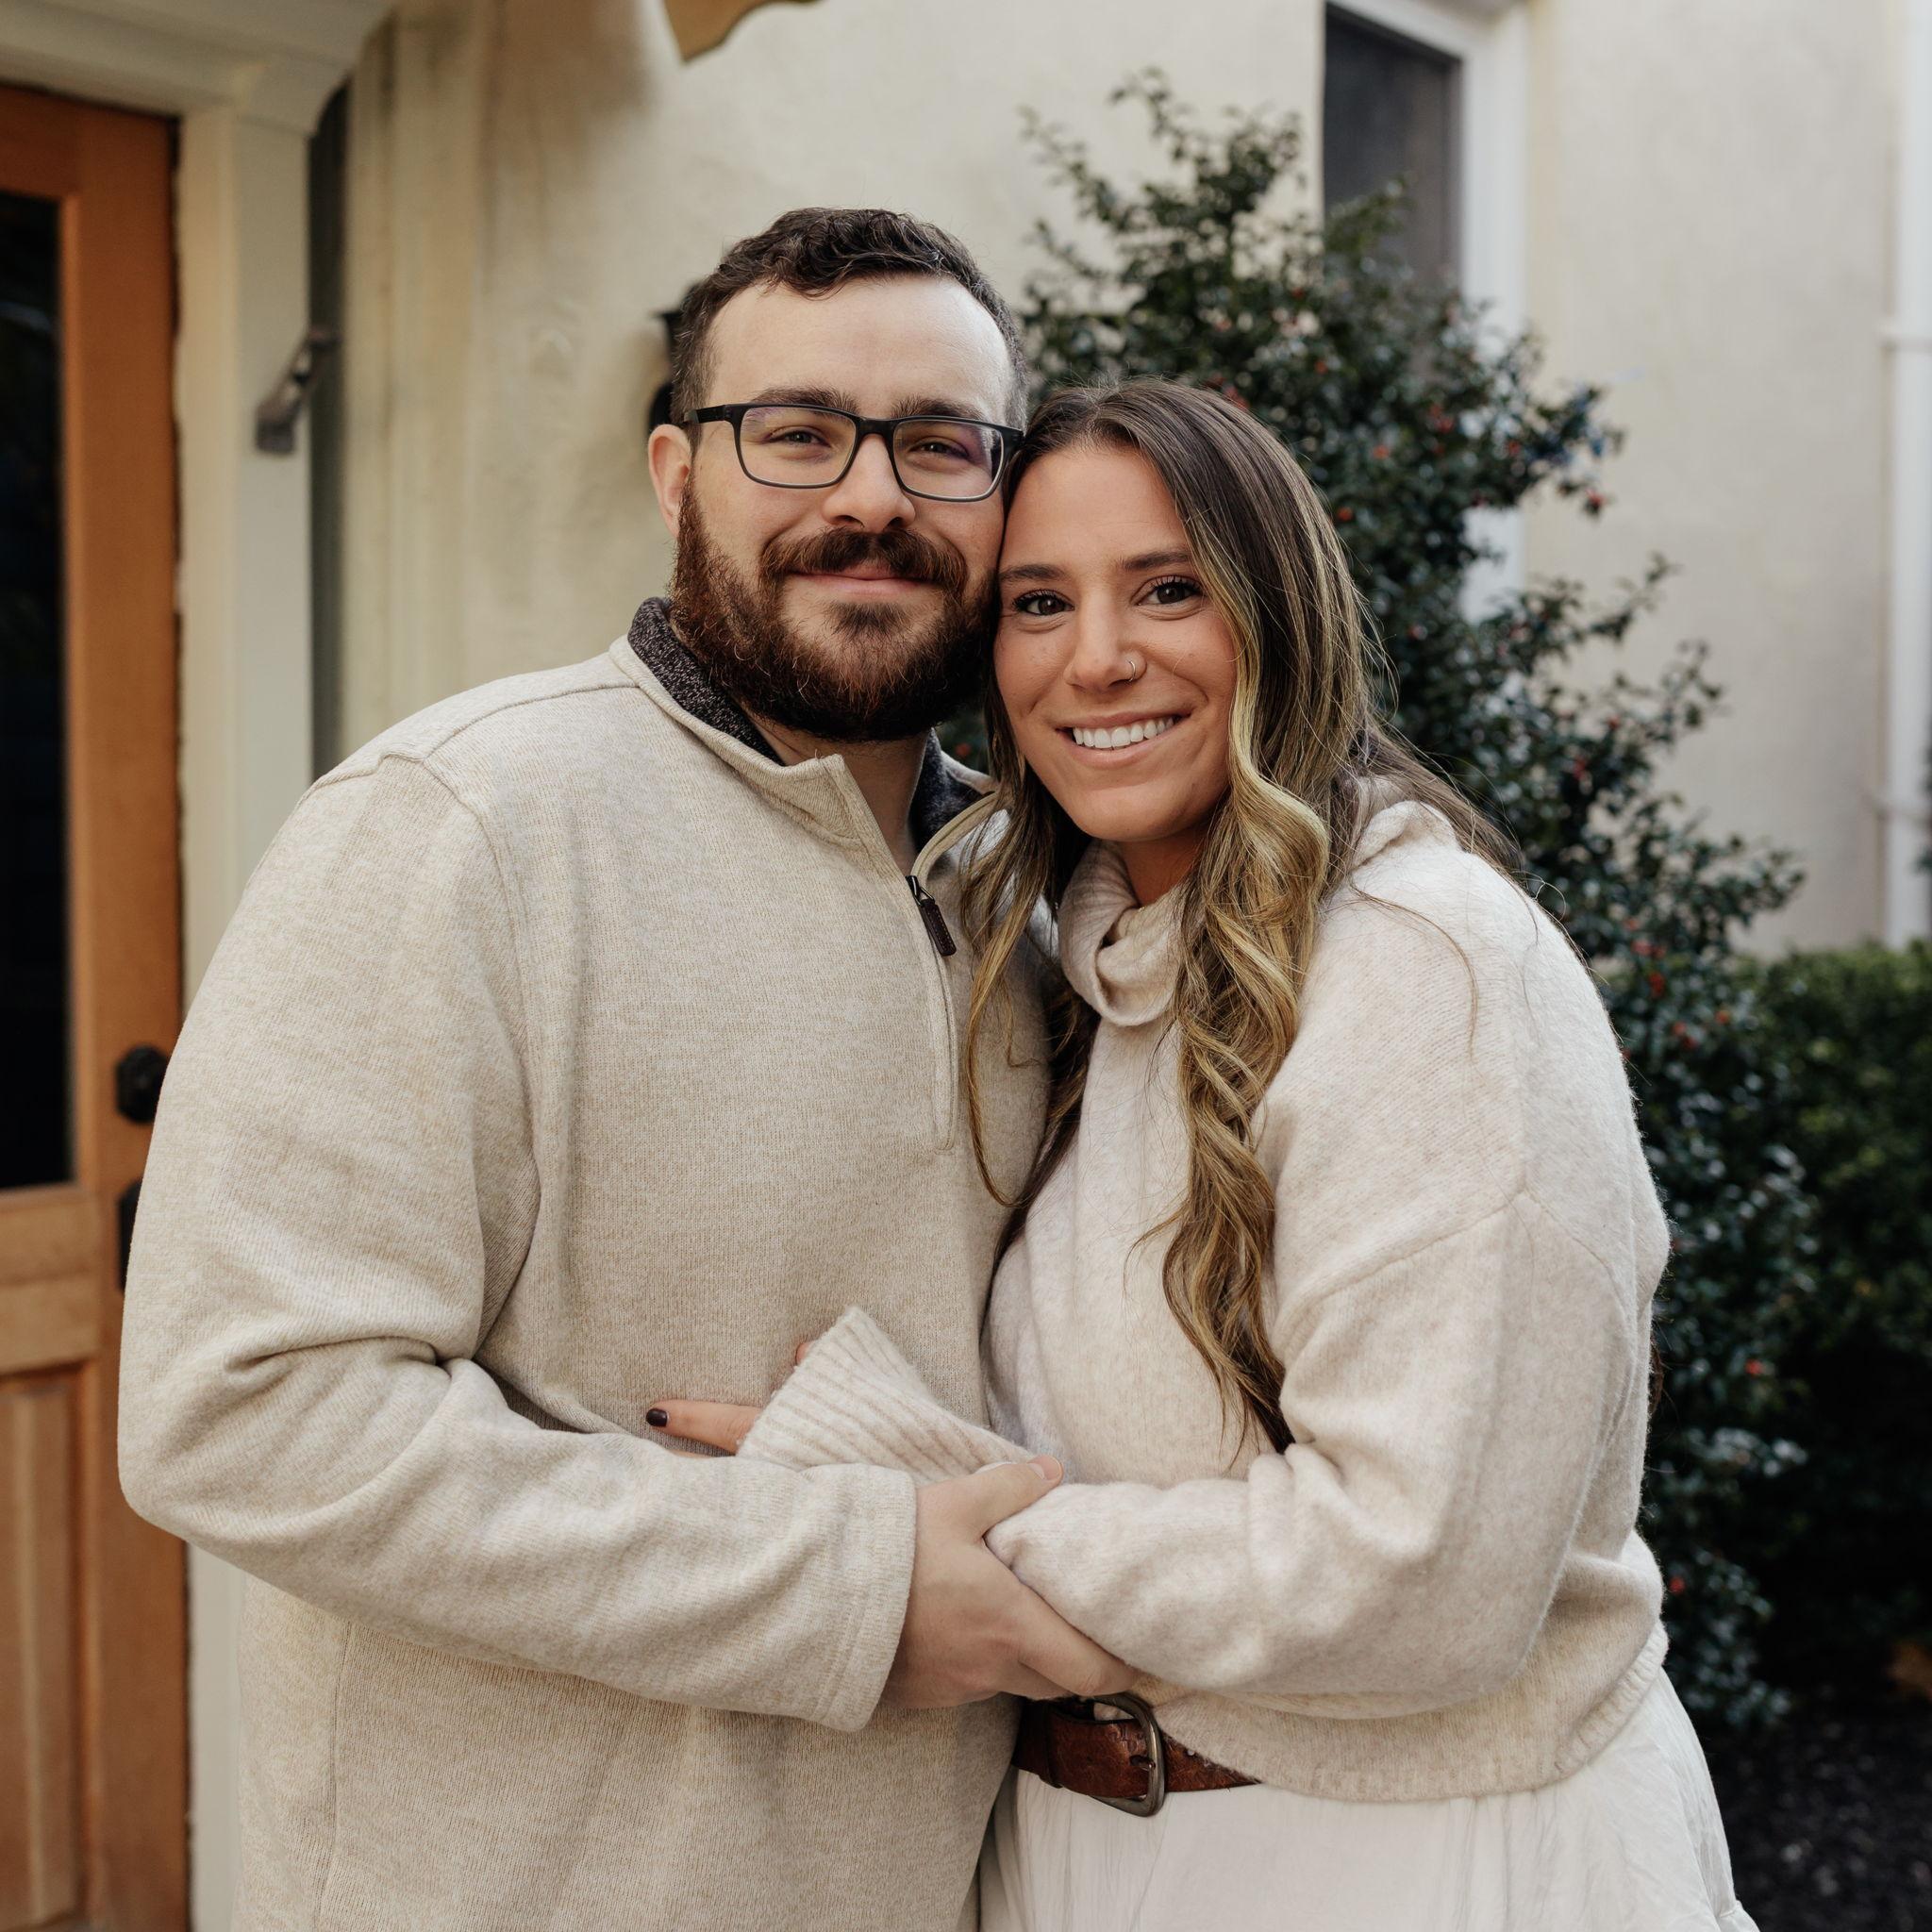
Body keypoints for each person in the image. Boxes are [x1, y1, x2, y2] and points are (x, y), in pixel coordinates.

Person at [115, 208, 1125, 1932]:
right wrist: (848, 1587)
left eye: (941, 443)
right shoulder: (458, 826)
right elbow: (244, 1414)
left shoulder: (1035, 897)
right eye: (795, 431)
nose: (869, 495)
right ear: (677, 474)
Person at [652, 380, 1760, 1932]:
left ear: (1278, 615)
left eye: (1168, 589)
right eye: (1040, 603)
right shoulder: (1086, 980)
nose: (1098, 656)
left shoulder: (1427, 971)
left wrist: (931, 1520)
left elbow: (1423, 1581)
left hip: (1410, 1860)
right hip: (1096, 1849)